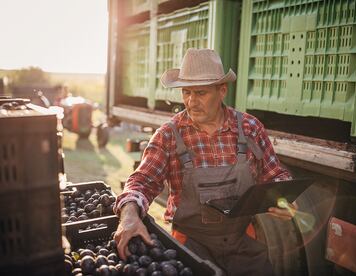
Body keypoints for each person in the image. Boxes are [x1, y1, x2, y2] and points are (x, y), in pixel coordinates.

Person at [114, 48, 297, 275]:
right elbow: (142, 181)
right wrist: (130, 214)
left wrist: (283, 197)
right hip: (191, 245)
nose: (191, 102)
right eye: (186, 92)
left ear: (222, 91)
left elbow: (274, 174)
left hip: (243, 242)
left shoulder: (250, 128)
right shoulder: (169, 135)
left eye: (200, 93)